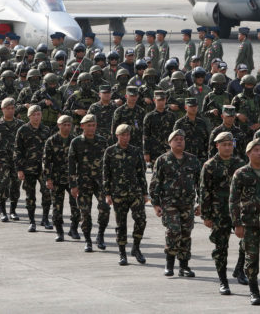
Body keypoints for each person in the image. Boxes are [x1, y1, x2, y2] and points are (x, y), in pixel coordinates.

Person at [149, 129, 202, 277]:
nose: (179, 141)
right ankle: (169, 263)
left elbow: (200, 183)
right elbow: (155, 183)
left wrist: (201, 203)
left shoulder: (192, 160)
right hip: (169, 203)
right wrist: (155, 204)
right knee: (173, 231)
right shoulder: (162, 160)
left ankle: (184, 265)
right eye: (176, 139)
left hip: (187, 203)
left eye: (182, 139)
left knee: (186, 233)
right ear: (170, 142)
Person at [200, 131, 246, 295]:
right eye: (224, 144)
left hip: (239, 212)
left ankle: (240, 269)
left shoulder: (240, 164)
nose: (227, 147)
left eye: (229, 144)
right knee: (221, 248)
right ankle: (223, 281)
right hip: (219, 212)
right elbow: (204, 191)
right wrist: (206, 215)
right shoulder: (210, 165)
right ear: (217, 146)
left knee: (247, 243)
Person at [103, 123, 148, 266]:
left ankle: (136, 247)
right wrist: (107, 193)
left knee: (141, 220)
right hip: (118, 194)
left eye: (127, 135)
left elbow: (141, 173)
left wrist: (145, 193)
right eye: (123, 135)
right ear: (117, 136)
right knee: (121, 224)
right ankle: (122, 253)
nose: (125, 137)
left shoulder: (135, 151)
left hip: (135, 192)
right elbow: (106, 174)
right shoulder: (110, 152)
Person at [68, 114, 110, 252]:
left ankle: (100, 235)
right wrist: (73, 185)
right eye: (88, 125)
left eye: (93, 125)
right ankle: (87, 240)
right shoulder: (76, 142)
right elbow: (71, 165)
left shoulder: (102, 141)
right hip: (83, 183)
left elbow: (108, 164)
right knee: (85, 213)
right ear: (82, 126)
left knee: (104, 208)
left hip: (100, 183)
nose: (91, 128)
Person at [43, 115, 81, 241]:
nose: (66, 127)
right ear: (59, 125)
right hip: (56, 178)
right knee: (57, 206)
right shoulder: (51, 141)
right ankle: (59, 231)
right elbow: (46, 161)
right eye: (64, 124)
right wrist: (48, 179)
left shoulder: (75, 140)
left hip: (72, 179)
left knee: (76, 205)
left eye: (69, 125)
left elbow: (79, 161)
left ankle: (74, 229)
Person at [15, 105, 52, 232]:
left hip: (43, 168)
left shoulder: (46, 130)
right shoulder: (23, 130)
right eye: (34, 115)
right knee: (30, 196)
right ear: (29, 116)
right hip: (28, 168)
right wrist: (19, 169)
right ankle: (32, 221)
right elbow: (18, 150)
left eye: (39, 114)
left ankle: (45, 219)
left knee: (47, 194)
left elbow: (50, 150)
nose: (37, 117)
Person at [0, 97, 24, 222]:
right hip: (2, 158)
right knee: (2, 184)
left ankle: (13, 210)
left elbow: (25, 144)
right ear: (2, 109)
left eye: (12, 108)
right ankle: (2, 211)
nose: (10, 111)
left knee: (15, 185)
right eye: (8, 108)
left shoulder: (20, 124)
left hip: (16, 159)